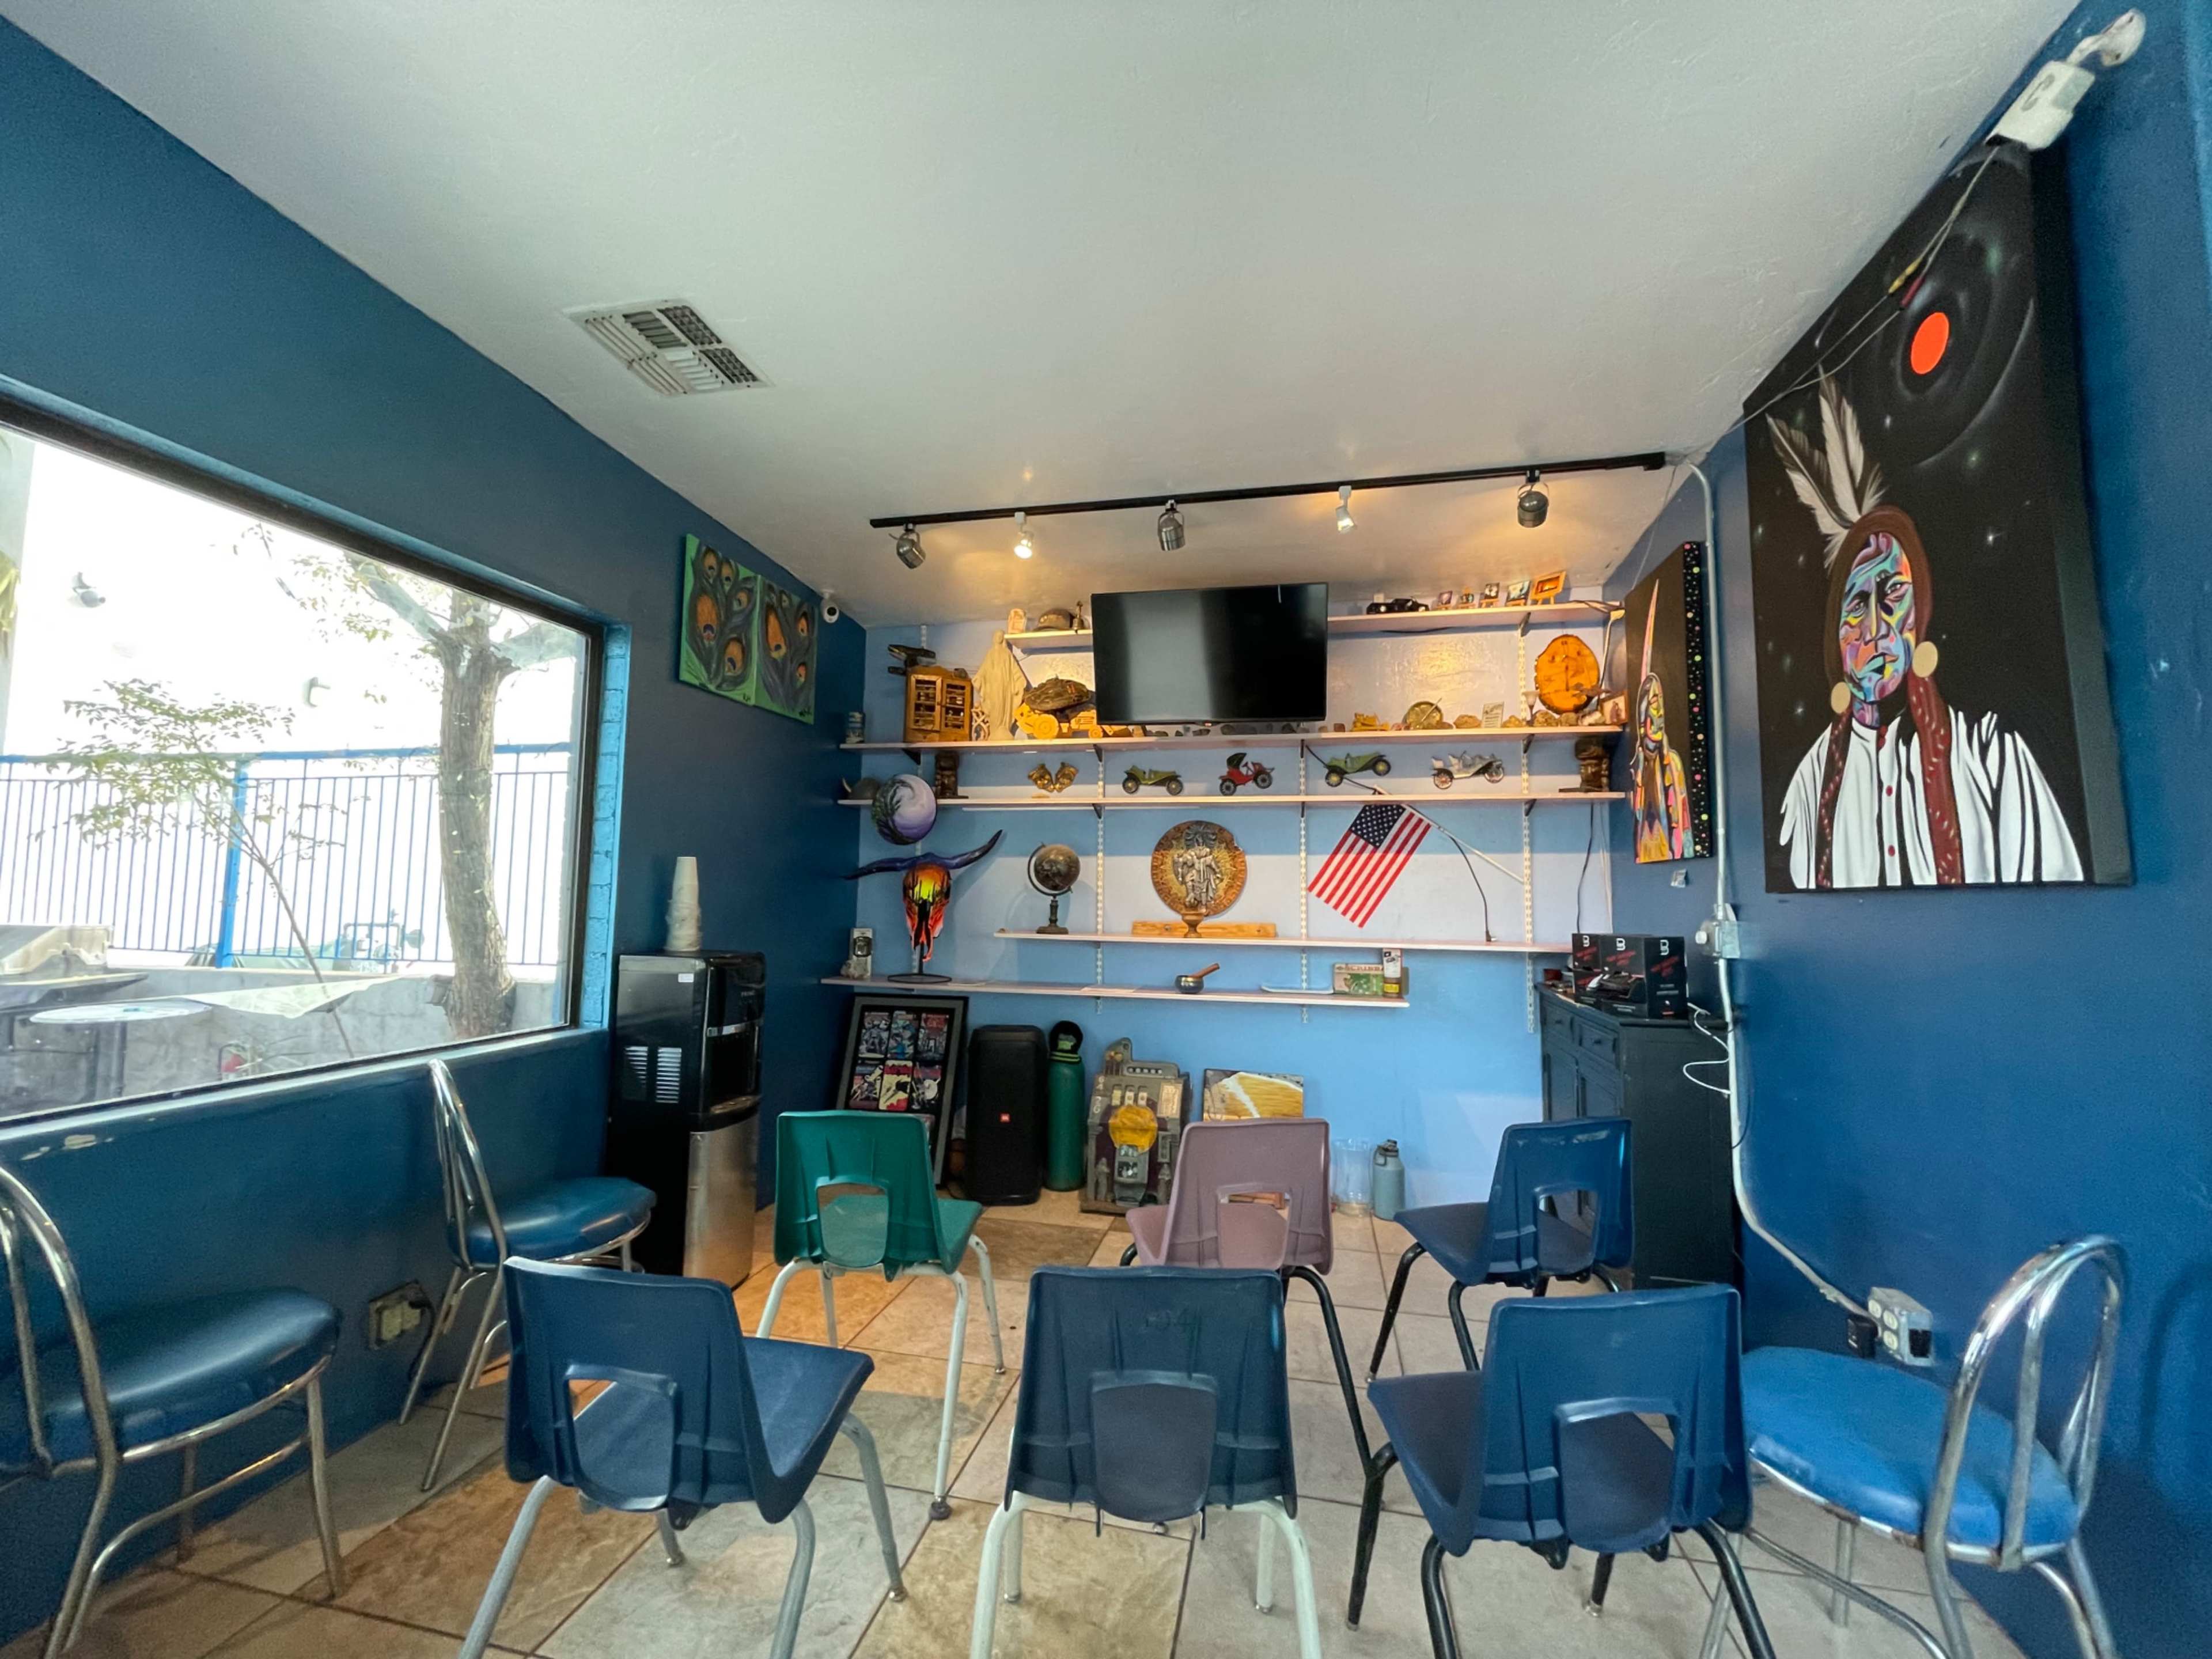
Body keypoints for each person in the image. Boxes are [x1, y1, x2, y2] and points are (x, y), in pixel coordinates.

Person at [1770, 380, 2081, 887]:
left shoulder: (1988, 753)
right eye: (1856, 607)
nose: (1872, 630)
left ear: (1920, 617)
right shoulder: (1810, 785)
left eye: (1891, 596)